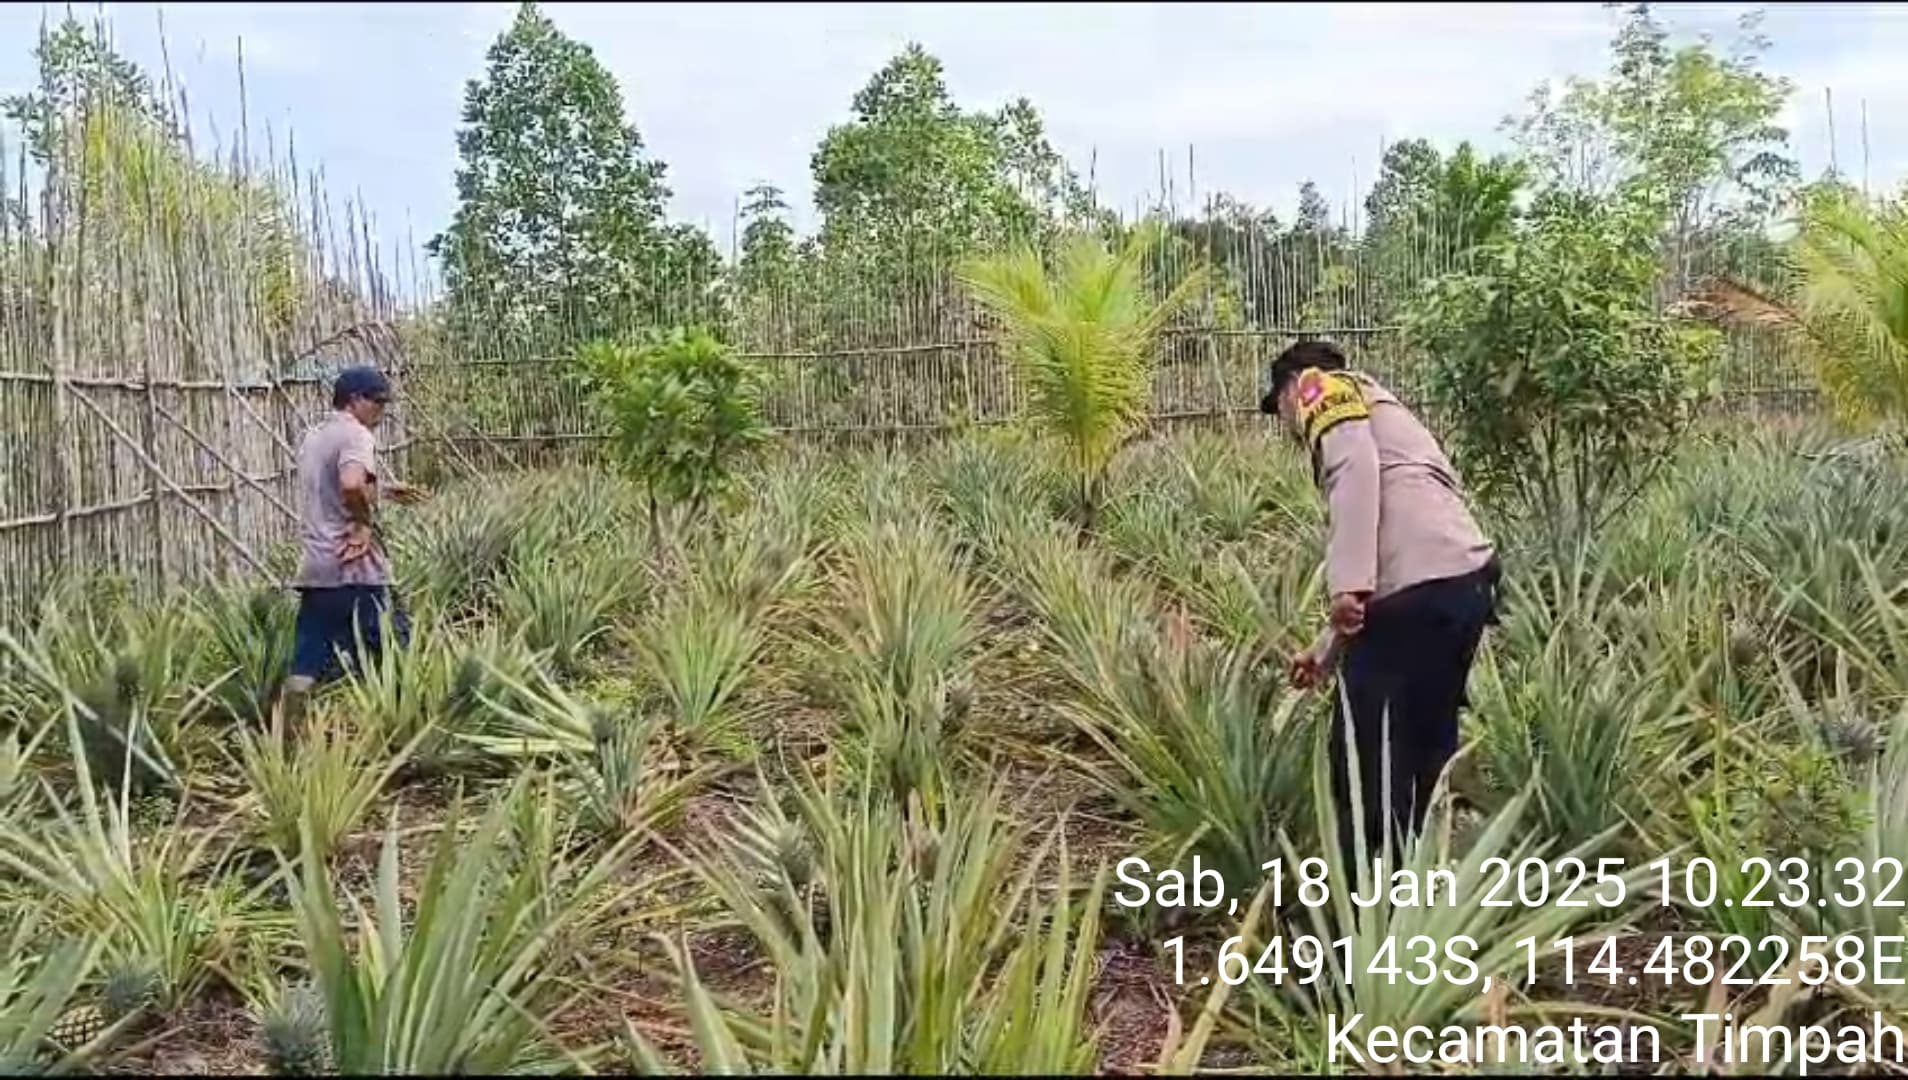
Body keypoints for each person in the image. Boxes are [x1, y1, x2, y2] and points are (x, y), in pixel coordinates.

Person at [1260, 340, 1500, 869]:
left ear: (1289, 385)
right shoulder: (1388, 411)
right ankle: (1424, 889)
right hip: (1464, 583)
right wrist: (1326, 653)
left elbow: (1356, 473)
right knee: (1423, 746)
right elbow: (1401, 536)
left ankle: (1366, 910)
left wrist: (1345, 584)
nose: (1285, 421)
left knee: (1364, 758)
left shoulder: (1317, 386)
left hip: (1416, 593)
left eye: (1277, 406)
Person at [278, 365, 426, 724]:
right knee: (398, 651)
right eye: (377, 402)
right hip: (356, 568)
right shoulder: (356, 435)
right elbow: (349, 484)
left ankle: (285, 741)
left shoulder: (315, 436)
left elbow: (337, 486)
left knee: (306, 663)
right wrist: (362, 523)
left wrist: (386, 492)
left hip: (318, 566)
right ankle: (413, 729)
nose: (381, 411)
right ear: (355, 399)